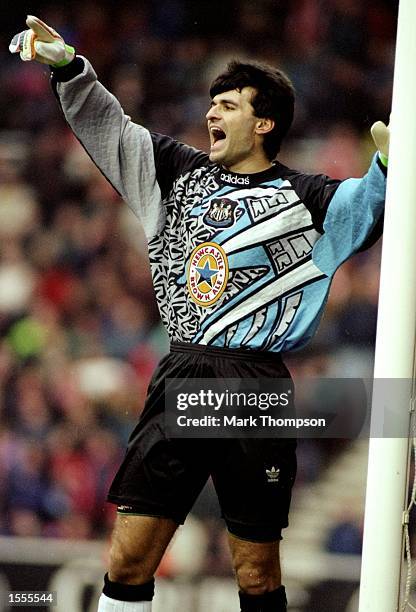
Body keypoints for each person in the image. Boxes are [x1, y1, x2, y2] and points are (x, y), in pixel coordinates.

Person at [10, 16, 389, 612]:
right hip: (184, 374)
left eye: (230, 105)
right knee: (128, 557)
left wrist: (391, 168)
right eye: (212, 102)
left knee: (257, 572)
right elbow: (113, 130)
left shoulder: (308, 197)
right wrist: (69, 68)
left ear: (264, 123)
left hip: (257, 385)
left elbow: (366, 205)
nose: (212, 113)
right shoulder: (175, 173)